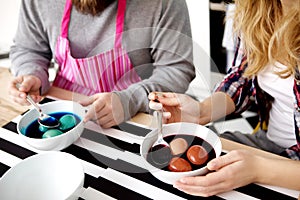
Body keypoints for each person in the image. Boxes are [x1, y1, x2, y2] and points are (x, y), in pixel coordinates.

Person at [149, 0, 300, 197]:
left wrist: (258, 170)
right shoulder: (258, 8)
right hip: (269, 143)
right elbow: (243, 76)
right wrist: (202, 112)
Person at [8, 0, 195, 128]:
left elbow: (176, 68)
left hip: (138, 115)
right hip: (64, 104)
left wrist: (129, 100)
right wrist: (32, 73)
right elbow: (28, 49)